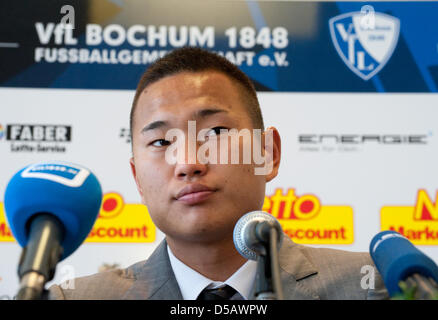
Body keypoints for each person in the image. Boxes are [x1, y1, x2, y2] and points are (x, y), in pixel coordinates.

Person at [49, 47, 388, 300]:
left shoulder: (375, 284)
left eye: (215, 133)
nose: (188, 163)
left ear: (267, 153)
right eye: (162, 140)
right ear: (137, 178)